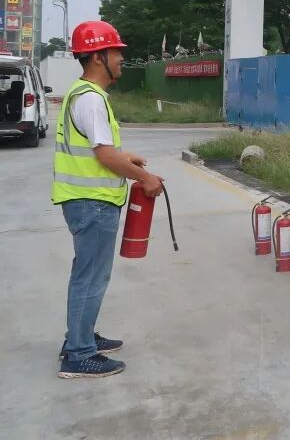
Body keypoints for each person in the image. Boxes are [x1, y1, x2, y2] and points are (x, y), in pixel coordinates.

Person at [53, 21, 164, 379]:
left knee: (86, 274)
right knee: (90, 278)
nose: (121, 59)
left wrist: (126, 158)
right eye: (116, 52)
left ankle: (81, 337)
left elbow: (98, 150)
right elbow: (104, 156)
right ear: (98, 57)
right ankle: (79, 354)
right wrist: (145, 178)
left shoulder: (81, 94)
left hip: (86, 201)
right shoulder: (91, 99)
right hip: (93, 203)